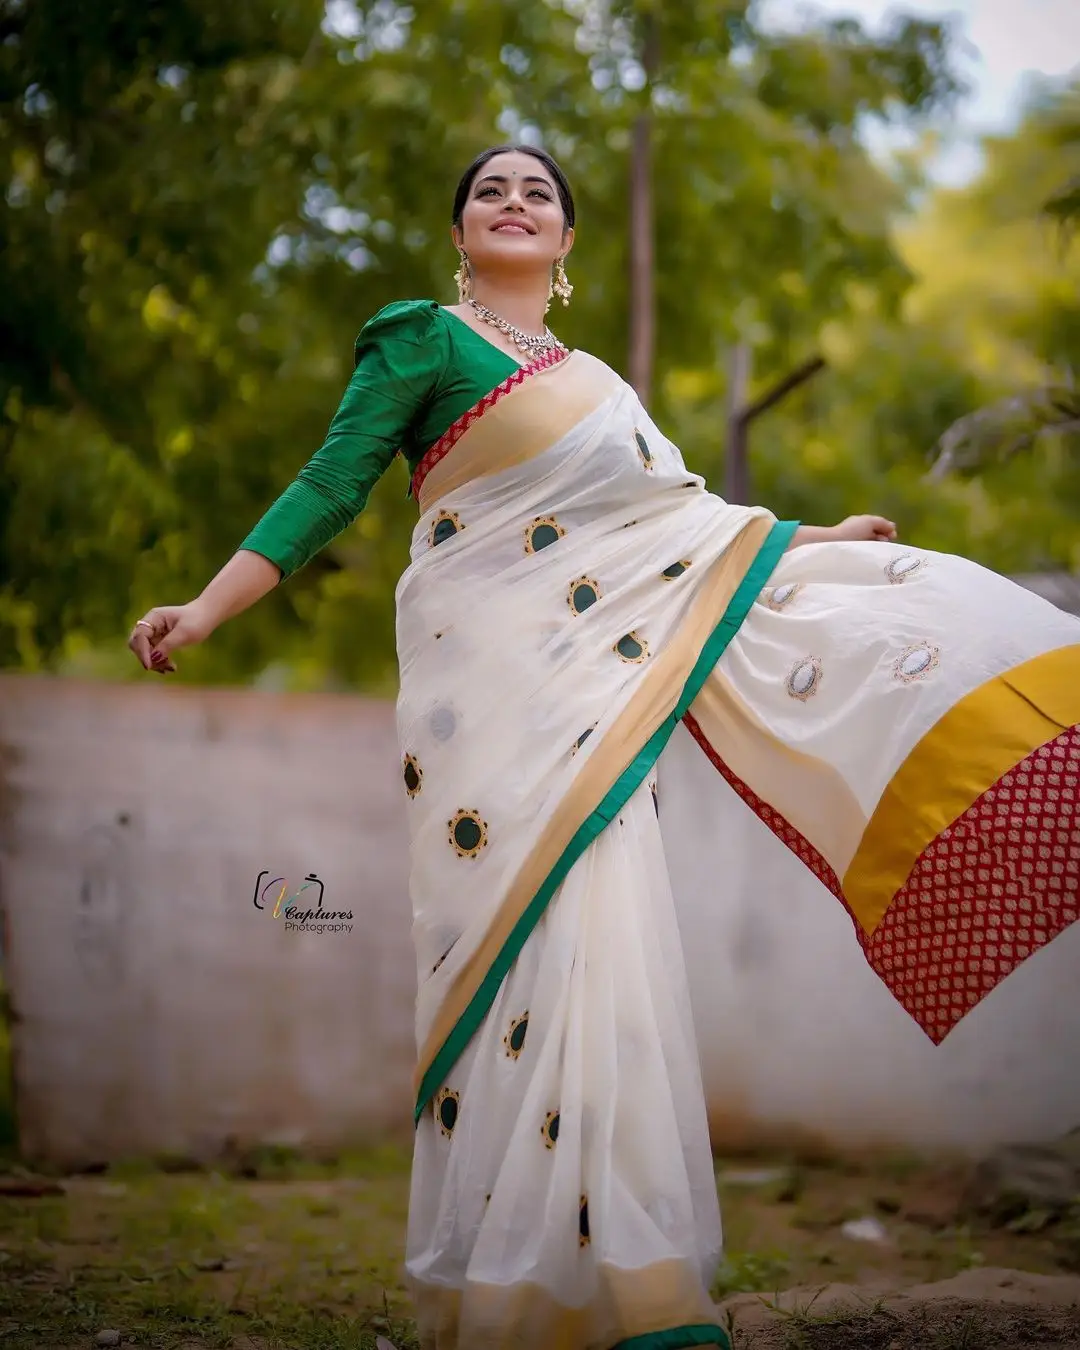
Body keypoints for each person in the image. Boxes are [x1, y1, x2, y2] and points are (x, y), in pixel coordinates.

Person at [128, 145, 1080, 1350]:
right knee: (508, 953)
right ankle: (510, 1286)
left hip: (594, 710)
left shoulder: (600, 388)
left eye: (539, 192)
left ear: (567, 244)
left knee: (605, 936)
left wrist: (818, 538)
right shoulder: (420, 339)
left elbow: (684, 536)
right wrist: (207, 608)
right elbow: (332, 483)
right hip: (487, 708)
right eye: (489, 190)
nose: (515, 201)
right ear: (460, 232)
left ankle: (622, 1284)